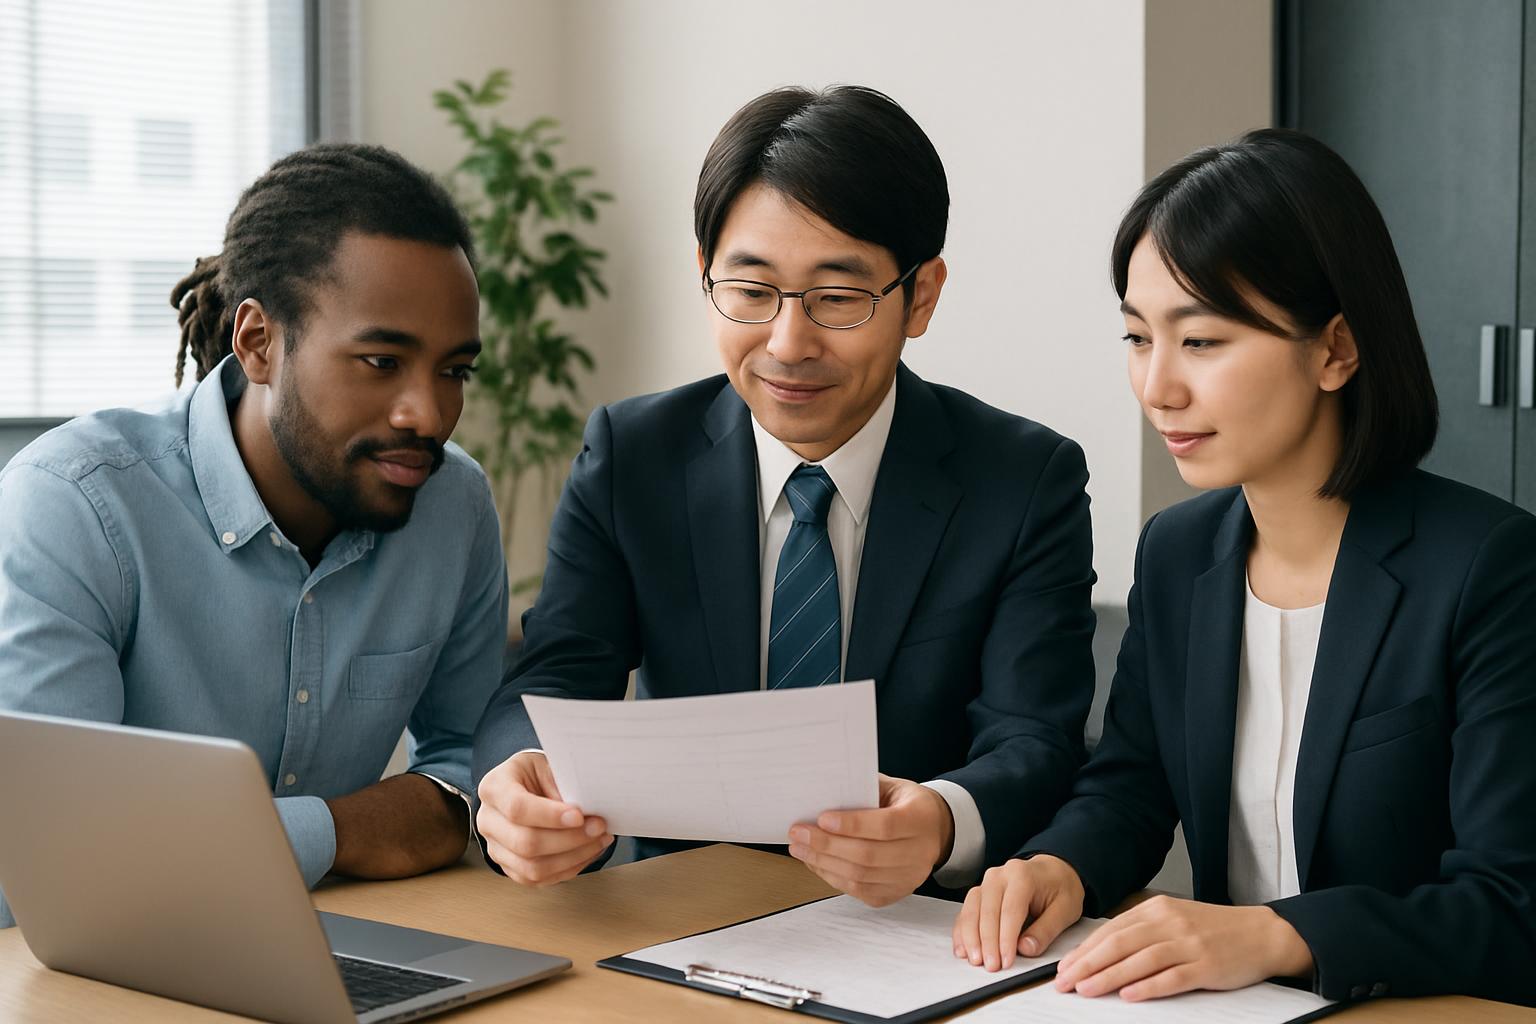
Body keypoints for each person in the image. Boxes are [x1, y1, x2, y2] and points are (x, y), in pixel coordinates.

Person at [471, 85, 1097, 907]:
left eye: (838, 297)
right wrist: (514, 789)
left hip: (914, 927)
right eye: (751, 291)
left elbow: (1033, 735)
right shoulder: (634, 456)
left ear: (923, 295)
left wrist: (942, 821)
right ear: (705, 277)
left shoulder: (1021, 480)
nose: (788, 343)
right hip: (680, 915)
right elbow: (554, 680)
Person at [952, 128, 1536, 1006]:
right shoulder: (1179, 548)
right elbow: (1134, 784)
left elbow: (1511, 906)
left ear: (1335, 349)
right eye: (1137, 338)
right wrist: (1059, 865)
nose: (1157, 388)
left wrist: (1276, 932)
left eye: (1201, 342)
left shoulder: (1490, 567)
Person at [0, 144, 506, 928]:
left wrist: (447, 805)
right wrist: (342, 831)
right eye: (381, 361)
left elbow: (474, 766)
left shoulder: (454, 504)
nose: (427, 415)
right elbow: (58, 854)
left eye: (453, 372)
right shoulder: (73, 507)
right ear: (259, 342)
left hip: (343, 940)